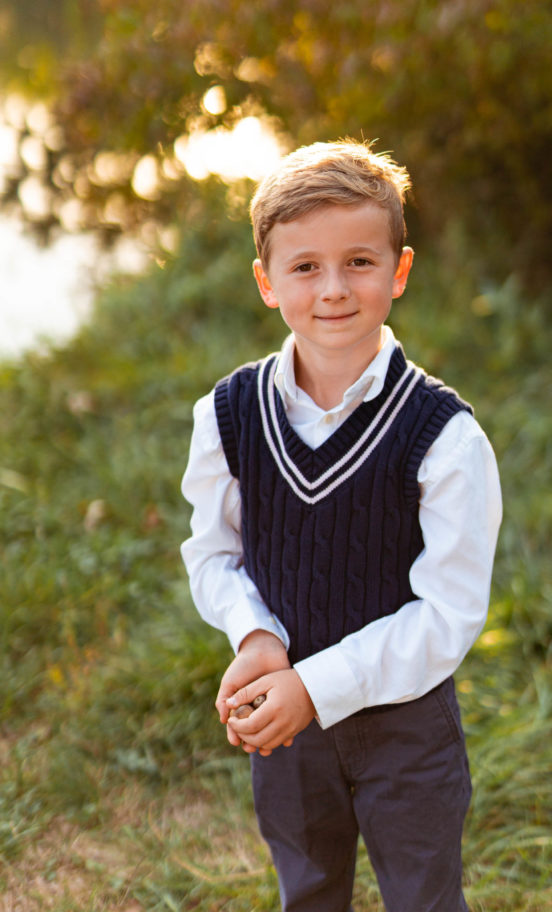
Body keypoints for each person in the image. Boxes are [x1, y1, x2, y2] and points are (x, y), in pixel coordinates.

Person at [180, 139, 502, 912]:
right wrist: (256, 639)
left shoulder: (444, 436)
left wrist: (314, 686)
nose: (332, 289)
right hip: (285, 732)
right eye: (304, 267)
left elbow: (448, 616)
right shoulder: (227, 414)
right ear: (266, 281)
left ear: (398, 271)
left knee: (423, 895)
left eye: (359, 262)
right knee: (310, 887)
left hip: (406, 729)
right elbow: (213, 553)